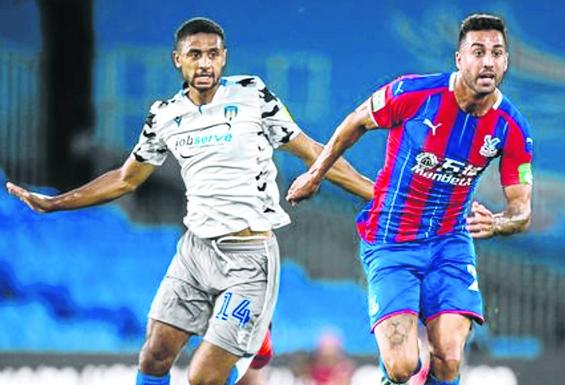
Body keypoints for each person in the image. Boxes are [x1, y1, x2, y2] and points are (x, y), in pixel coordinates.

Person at [6, 17, 374, 385]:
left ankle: (250, 338)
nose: (205, 63)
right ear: (177, 60)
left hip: (249, 256)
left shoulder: (252, 95)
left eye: (213, 54)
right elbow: (124, 178)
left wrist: (376, 193)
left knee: (202, 378)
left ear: (224, 58)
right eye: (194, 54)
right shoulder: (165, 116)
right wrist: (55, 203)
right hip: (195, 253)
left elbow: (312, 151)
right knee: (155, 355)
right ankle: (251, 338)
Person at [287, 13, 533, 385]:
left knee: (449, 359)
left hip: (450, 244)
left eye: (497, 53)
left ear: (507, 60)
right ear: (459, 58)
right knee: (403, 367)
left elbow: (522, 210)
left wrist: (499, 223)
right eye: (478, 51)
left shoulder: (511, 127)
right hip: (390, 239)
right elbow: (355, 121)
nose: (488, 62)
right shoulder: (414, 93)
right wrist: (315, 173)